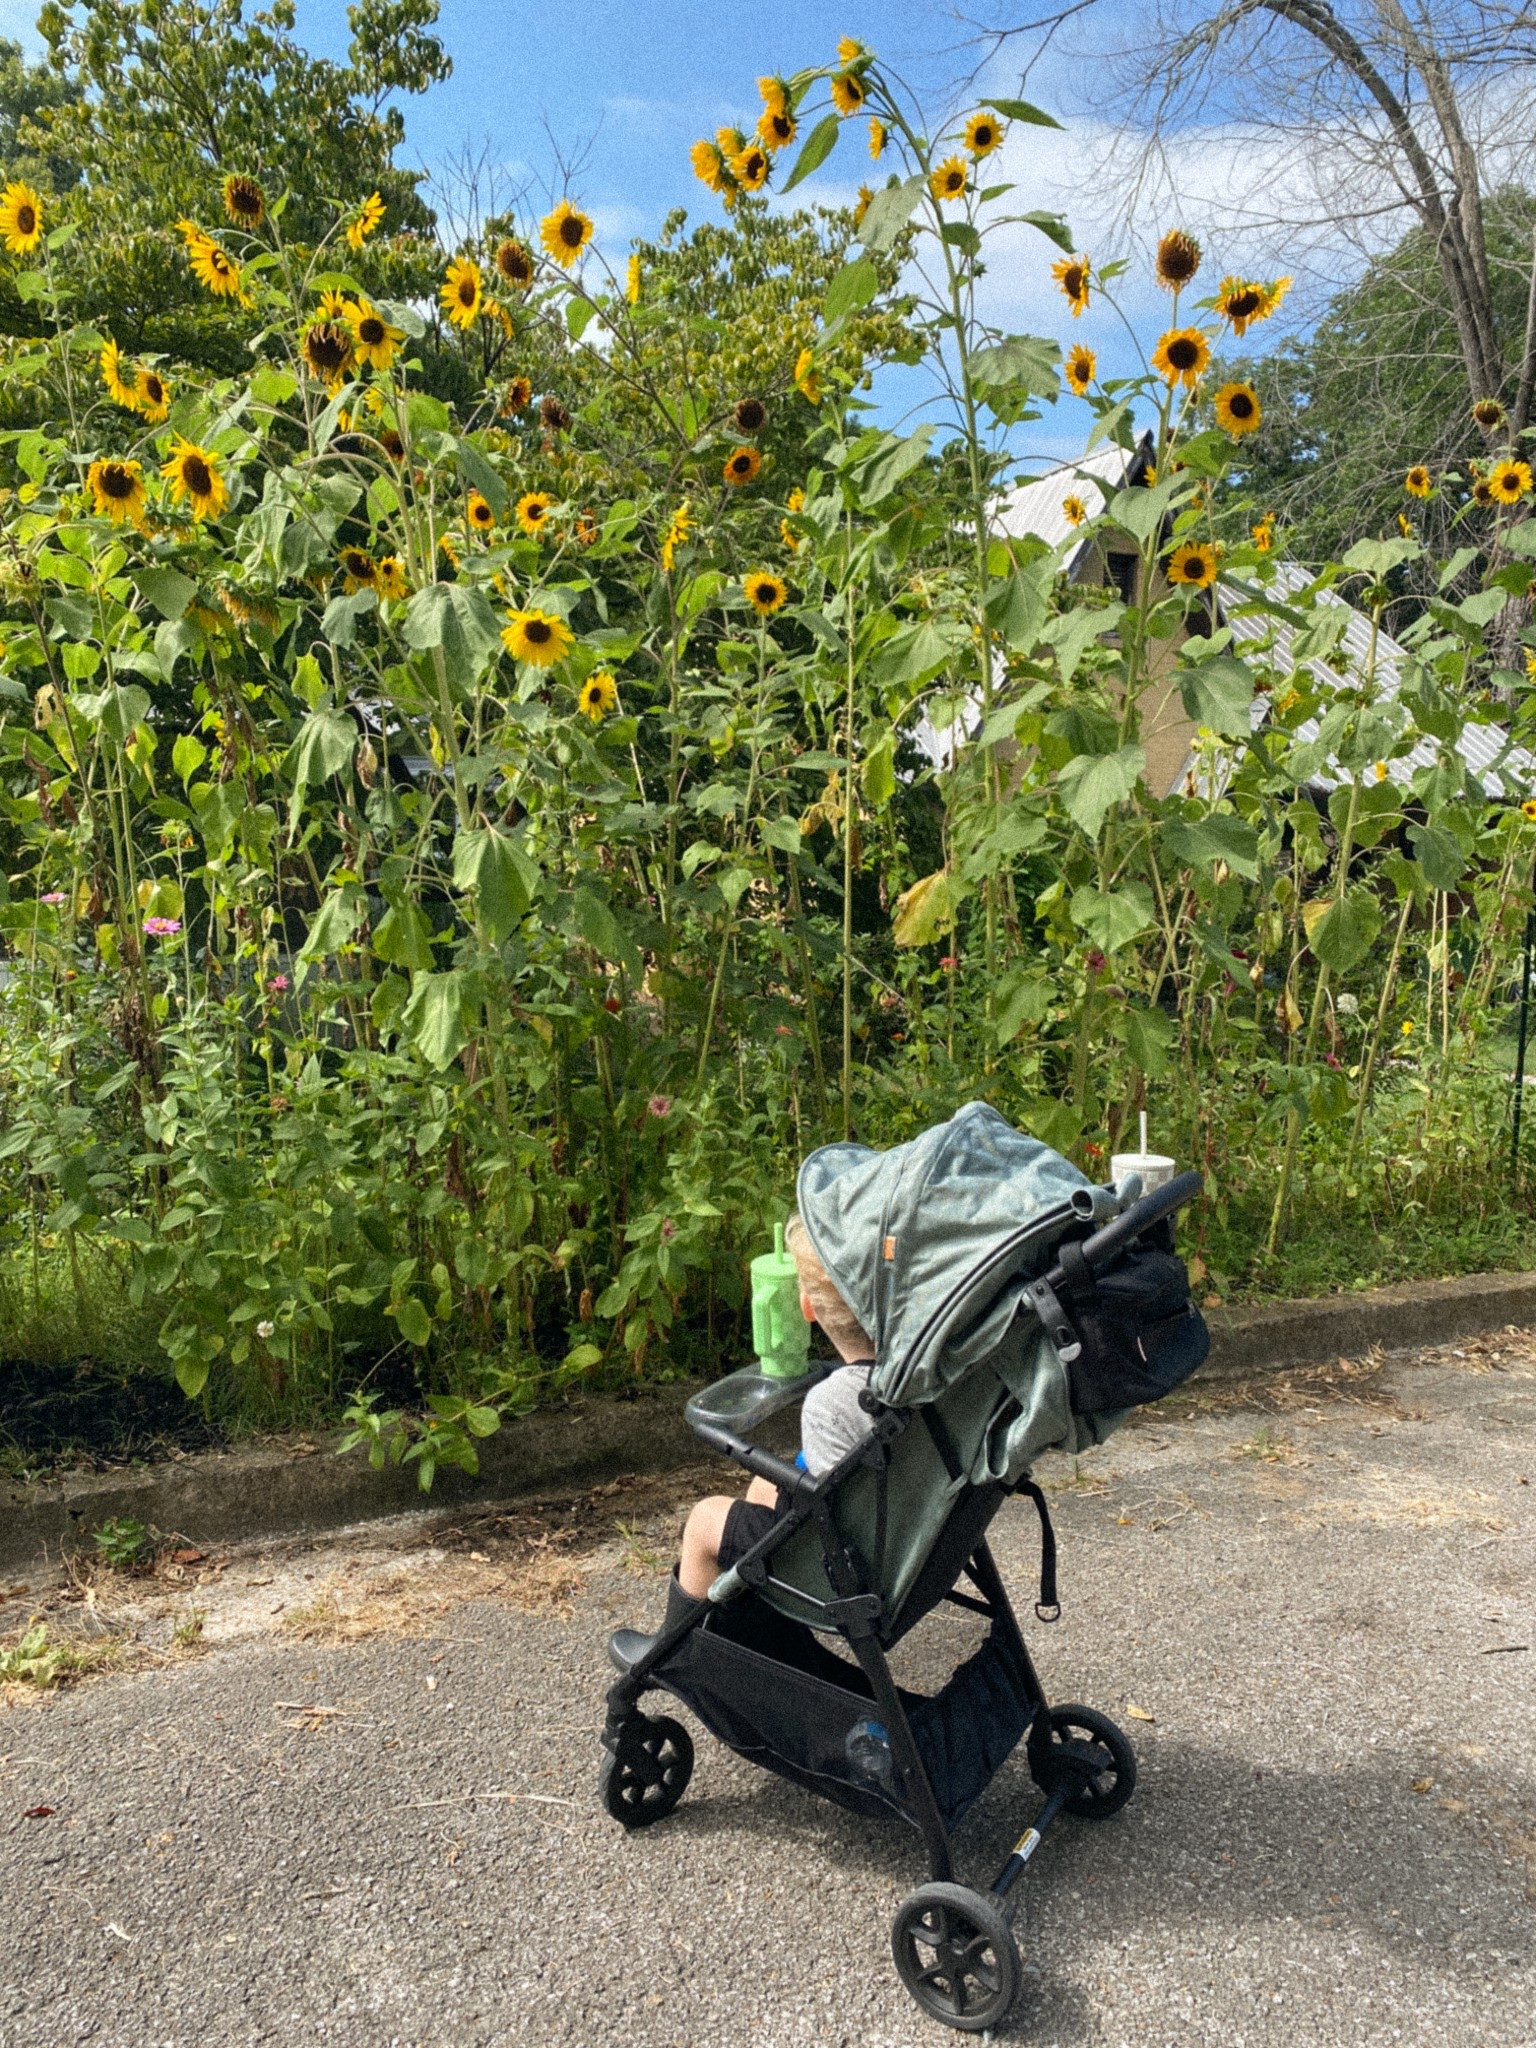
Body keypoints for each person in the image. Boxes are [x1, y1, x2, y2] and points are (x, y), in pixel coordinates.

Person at [675, 1213, 876, 1597]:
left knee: (704, 1520)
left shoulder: (829, 1404)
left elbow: (825, 1506)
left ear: (807, 1308)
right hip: (909, 1540)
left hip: (844, 1570)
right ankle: (756, 1629)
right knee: (766, 1484)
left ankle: (676, 1651)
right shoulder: (921, 1379)